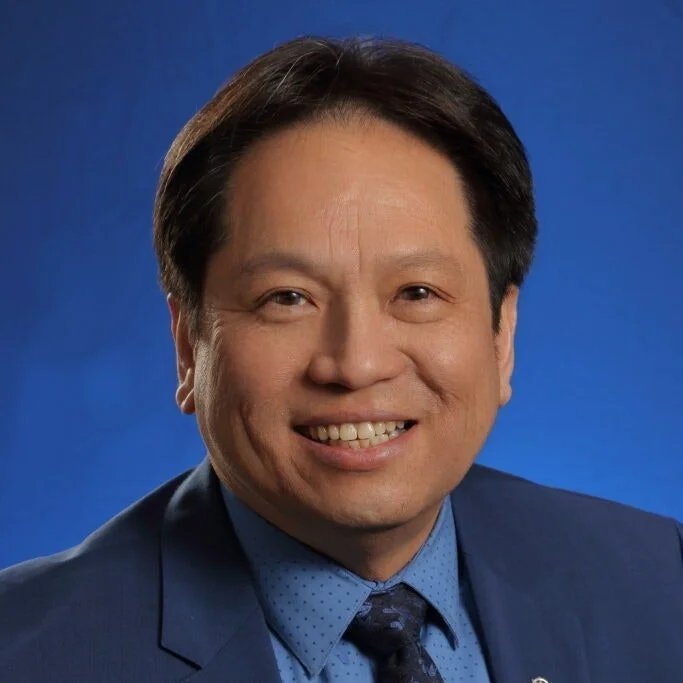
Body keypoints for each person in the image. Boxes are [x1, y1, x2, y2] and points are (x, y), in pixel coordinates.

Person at [1, 36, 681, 683]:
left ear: (502, 334)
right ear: (188, 346)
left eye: (417, 293)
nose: (355, 365)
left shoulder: (659, 584)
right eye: (286, 298)